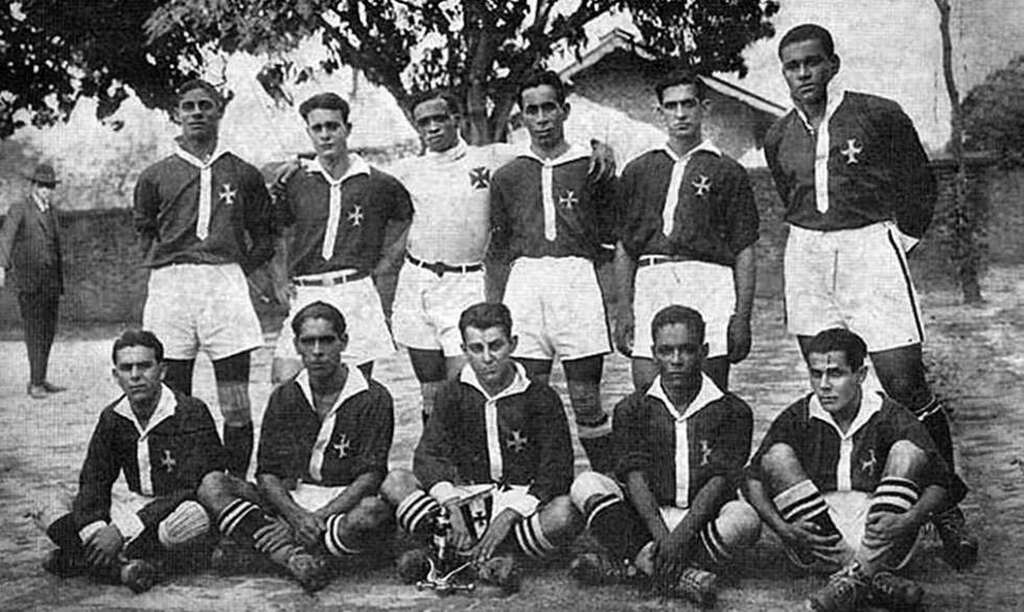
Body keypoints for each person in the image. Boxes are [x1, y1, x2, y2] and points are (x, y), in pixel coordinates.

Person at [763, 23, 977, 569]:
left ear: (832, 64)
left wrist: (892, 246)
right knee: (828, 378)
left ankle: (945, 511)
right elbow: (791, 197)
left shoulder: (877, 114)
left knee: (904, 383)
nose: (803, 74)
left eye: (813, 62)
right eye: (793, 66)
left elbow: (919, 186)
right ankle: (836, 509)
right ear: (784, 72)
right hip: (808, 254)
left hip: (869, 249)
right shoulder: (778, 135)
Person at [390, 88, 616, 426]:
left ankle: (600, 477)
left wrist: (600, 145)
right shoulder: (406, 169)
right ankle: (442, 467)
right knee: (434, 392)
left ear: (458, 119)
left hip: (470, 278)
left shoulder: (494, 157)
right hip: (420, 279)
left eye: (441, 118)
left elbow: (549, 148)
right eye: (425, 122)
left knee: (468, 382)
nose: (433, 127)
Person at [743, 328, 954, 611]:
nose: (824, 385)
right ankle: (872, 579)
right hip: (819, 536)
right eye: (816, 374)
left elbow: (941, 482)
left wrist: (910, 519)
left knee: (908, 452)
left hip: (882, 532)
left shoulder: (890, 414)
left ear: (861, 374)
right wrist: (783, 530)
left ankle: (850, 581)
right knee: (776, 456)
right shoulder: (800, 414)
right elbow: (753, 479)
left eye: (836, 373)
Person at [380, 302, 580, 592]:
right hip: (465, 501)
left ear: (513, 344)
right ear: (464, 349)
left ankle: (453, 553)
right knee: (396, 482)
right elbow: (428, 456)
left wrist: (510, 515)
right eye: (476, 348)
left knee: (565, 514)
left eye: (495, 346)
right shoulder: (452, 392)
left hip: (520, 504)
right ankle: (490, 557)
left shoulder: (540, 396)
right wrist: (452, 504)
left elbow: (557, 469)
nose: (487, 358)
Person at [196, 301, 394, 592]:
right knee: (212, 485)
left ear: (344, 342)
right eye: (308, 342)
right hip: (290, 504)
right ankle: (296, 556)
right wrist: (294, 516)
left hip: (341, 506)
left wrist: (316, 518)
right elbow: (267, 473)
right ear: (296, 345)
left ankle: (270, 550)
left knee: (373, 512)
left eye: (326, 340)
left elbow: (371, 476)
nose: (317, 352)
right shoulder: (285, 395)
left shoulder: (373, 396)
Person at [569, 306, 760, 606]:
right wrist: (662, 535)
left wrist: (680, 536)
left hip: (701, 521)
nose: (676, 361)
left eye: (687, 350)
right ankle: (682, 574)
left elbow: (720, 480)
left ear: (704, 352)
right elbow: (634, 476)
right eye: (666, 351)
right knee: (585, 485)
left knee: (745, 520)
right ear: (654, 353)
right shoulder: (633, 408)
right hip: (648, 519)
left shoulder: (733, 410)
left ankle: (635, 564)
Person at [133, 79, 275, 478]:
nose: (197, 112)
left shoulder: (242, 172)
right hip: (171, 286)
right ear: (176, 115)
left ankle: (232, 486)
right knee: (174, 397)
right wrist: (163, 261)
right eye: (188, 106)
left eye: (205, 105)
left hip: (224, 284)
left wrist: (235, 267)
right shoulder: (155, 175)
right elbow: (143, 228)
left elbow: (265, 232)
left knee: (235, 400)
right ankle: (184, 484)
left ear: (218, 112)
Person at [487, 70, 618, 472]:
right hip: (526, 282)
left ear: (564, 110)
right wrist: (495, 310)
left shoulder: (592, 165)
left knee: (585, 398)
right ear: (521, 117)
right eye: (532, 110)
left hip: (576, 279)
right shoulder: (508, 174)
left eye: (549, 108)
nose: (541, 118)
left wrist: (613, 304)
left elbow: (611, 243)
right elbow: (498, 249)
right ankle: (539, 485)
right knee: (528, 394)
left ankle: (607, 484)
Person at [34, 330, 225, 593]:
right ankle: (124, 566)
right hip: (133, 505)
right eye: (126, 368)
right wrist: (98, 530)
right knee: (48, 505)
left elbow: (194, 486)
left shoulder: (190, 412)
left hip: (170, 511)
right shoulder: (113, 417)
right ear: (116, 375)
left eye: (145, 366)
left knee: (191, 520)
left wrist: (121, 530)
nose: (135, 376)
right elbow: (94, 480)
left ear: (162, 370)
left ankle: (81, 559)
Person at [615, 70, 758, 392]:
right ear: (659, 111)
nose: (680, 114)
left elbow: (745, 250)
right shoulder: (639, 169)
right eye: (671, 106)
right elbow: (625, 247)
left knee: (708, 390)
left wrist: (742, 317)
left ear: (703, 107)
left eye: (688, 104)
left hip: (709, 281)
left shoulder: (727, 170)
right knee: (647, 389)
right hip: (653, 278)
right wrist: (624, 309)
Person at [270, 92, 412, 383]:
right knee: (284, 380)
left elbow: (407, 219)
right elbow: (278, 232)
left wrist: (387, 263)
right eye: (317, 128)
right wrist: (279, 278)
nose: (325, 135)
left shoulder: (378, 182)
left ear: (347, 128)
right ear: (308, 132)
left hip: (354, 290)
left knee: (355, 386)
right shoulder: (295, 180)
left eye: (332, 126)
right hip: (306, 289)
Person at [0, 163, 67, 399]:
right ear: (34, 186)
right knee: (34, 332)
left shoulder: (52, 212)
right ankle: (35, 384)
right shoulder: (20, 209)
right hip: (30, 282)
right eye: (43, 186)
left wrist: (59, 280)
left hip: (50, 283)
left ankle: (40, 378)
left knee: (48, 332)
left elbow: (56, 247)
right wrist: (1, 266)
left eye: (50, 186)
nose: (47, 190)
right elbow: (6, 237)